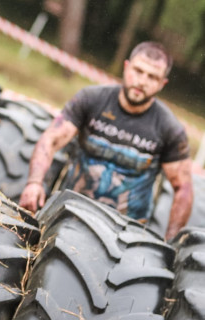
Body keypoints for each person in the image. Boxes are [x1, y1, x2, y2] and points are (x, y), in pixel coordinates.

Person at [19, 41, 193, 240]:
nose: (142, 81)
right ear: (126, 67)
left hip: (125, 236)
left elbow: (184, 188)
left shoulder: (169, 128)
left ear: (163, 84)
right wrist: (34, 183)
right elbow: (51, 140)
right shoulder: (91, 99)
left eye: (152, 77)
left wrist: (171, 244)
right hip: (68, 215)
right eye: (138, 71)